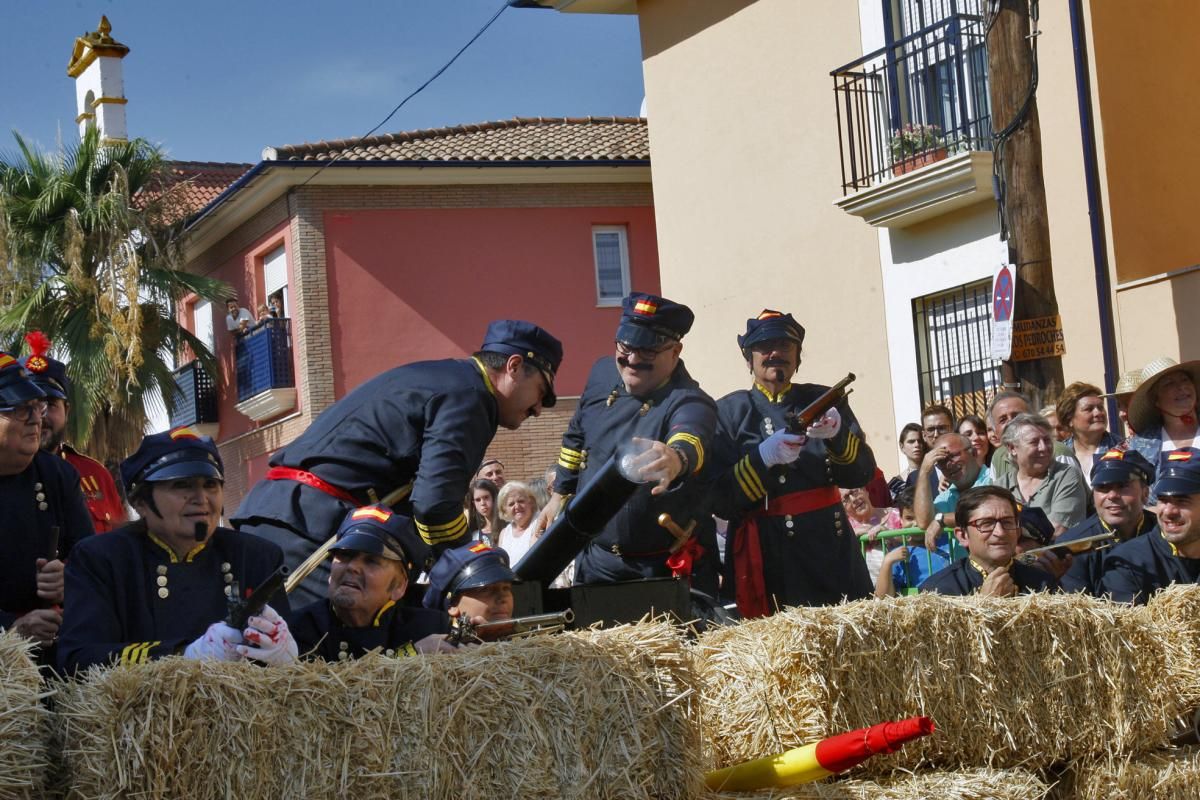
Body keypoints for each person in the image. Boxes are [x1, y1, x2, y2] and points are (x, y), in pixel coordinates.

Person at [232, 320, 562, 605]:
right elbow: (435, 507)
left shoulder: (447, 380)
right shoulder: (472, 398)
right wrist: (472, 565)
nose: (537, 410)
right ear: (514, 366)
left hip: (282, 515)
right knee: (329, 655)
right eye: (542, 393)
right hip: (307, 529)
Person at [57, 428, 295, 673]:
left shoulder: (256, 557)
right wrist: (183, 655)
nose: (201, 498)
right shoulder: (102, 559)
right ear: (141, 502)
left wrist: (281, 655)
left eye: (211, 485)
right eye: (182, 485)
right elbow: (78, 660)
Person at [543, 292, 717, 591]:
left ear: (675, 351)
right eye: (626, 346)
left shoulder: (690, 400)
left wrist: (676, 460)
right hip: (595, 561)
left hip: (658, 570)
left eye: (648, 351)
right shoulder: (601, 373)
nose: (632, 360)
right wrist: (559, 494)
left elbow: (691, 437)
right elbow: (575, 437)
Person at [711, 309, 875, 614]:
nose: (776, 354)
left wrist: (836, 436)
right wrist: (763, 459)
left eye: (785, 346)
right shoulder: (729, 412)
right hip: (768, 552)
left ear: (798, 356)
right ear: (749, 359)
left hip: (830, 548)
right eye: (764, 347)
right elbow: (720, 499)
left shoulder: (826, 398)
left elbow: (859, 474)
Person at [0, 353, 94, 660]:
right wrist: (10, 628)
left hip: (53, 649)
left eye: (36, 408)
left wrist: (68, 580)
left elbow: (92, 561)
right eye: (18, 409)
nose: (34, 419)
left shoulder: (57, 474)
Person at [288, 506, 452, 661]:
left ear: (399, 586)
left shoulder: (428, 628)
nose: (352, 567)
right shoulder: (296, 631)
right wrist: (406, 657)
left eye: (371, 561)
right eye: (345, 555)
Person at [20, 331, 126, 532]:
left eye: (50, 404)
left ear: (66, 411)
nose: (39, 416)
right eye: (29, 405)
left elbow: (120, 550)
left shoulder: (96, 475)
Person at [1099, 448, 1200, 604]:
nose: (1168, 511)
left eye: (1182, 500)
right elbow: (1126, 626)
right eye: (1163, 500)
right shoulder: (1129, 563)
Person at [920, 486, 1058, 596]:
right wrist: (986, 604)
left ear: (1018, 531)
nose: (1000, 532)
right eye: (986, 523)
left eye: (1007, 522)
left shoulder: (1043, 585)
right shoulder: (938, 591)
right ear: (962, 536)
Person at [1056, 449, 1157, 596]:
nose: (1112, 495)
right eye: (1103, 488)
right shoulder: (1073, 546)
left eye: (1122, 486)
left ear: (1145, 493)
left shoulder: (1163, 534)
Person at [991, 414, 1088, 536]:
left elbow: (1057, 530)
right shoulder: (1000, 487)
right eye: (1034, 442)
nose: (1043, 448)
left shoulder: (1066, 475)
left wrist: (1013, 540)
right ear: (1012, 448)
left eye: (1047, 440)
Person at [1124, 358, 1200, 500]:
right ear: (1155, 400)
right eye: (1169, 383)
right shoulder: (1140, 446)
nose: (1181, 387)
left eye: (1184, 380)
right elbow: (1136, 496)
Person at [913, 432, 991, 550]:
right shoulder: (946, 497)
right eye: (941, 462)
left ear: (973, 452)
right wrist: (924, 472)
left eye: (953, 456)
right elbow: (924, 522)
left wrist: (943, 519)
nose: (948, 464)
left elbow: (988, 515)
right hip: (966, 567)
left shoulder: (994, 478)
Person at [423, 542, 518, 638]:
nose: (502, 598)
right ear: (452, 605)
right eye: (485, 589)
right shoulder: (435, 650)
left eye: (506, 588)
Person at [876, 488, 952, 597]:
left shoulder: (949, 538)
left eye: (921, 516)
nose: (916, 523)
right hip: (923, 608)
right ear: (901, 520)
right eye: (909, 518)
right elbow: (882, 598)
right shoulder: (899, 554)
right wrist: (887, 562)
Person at [987, 391, 1080, 478]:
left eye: (1017, 416)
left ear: (1032, 418)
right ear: (995, 431)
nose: (1011, 422)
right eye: (1003, 420)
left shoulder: (1058, 452)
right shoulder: (998, 457)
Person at [1057, 382, 1120, 490]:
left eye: (1100, 407)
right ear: (1069, 419)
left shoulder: (1121, 448)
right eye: (1089, 409)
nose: (1098, 413)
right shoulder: (1060, 455)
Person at [842, 486, 901, 585]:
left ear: (865, 491)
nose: (853, 499)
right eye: (846, 498)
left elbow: (915, 545)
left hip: (904, 587)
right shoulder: (843, 531)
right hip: (866, 593)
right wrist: (853, 535)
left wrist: (887, 533)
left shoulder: (897, 514)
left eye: (854, 492)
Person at [496, 480, 541, 565]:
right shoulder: (504, 533)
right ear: (504, 510)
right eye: (511, 504)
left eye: (521, 501)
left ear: (530, 502)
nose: (517, 506)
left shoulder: (540, 524)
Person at [466, 478, 500, 545]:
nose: (483, 503)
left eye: (486, 497)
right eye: (478, 500)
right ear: (474, 503)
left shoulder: (509, 529)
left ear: (494, 497)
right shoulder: (474, 536)